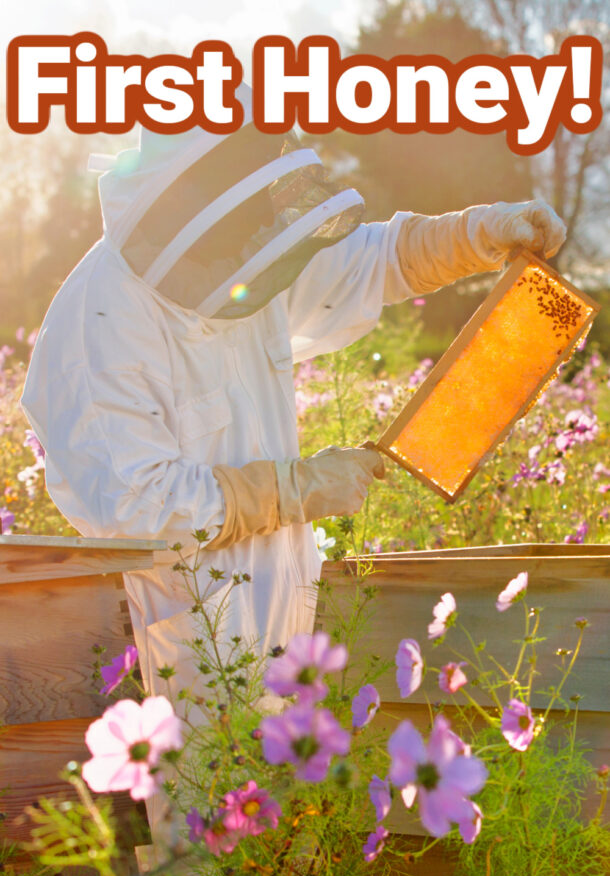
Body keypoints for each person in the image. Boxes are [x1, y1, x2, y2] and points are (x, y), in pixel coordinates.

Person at [21, 83, 566, 712]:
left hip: (287, 617)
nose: (260, 233)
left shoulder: (243, 258)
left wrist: (478, 233)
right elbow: (136, 507)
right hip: (187, 647)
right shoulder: (98, 327)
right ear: (195, 201)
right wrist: (294, 488)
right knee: (209, 800)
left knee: (294, 794)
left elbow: (372, 261)